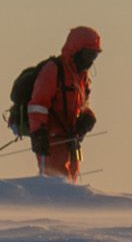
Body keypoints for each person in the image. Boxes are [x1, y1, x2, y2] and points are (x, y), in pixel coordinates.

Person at [28, 26, 101, 181]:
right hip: (51, 140)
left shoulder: (82, 77)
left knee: (70, 184)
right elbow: (37, 105)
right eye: (88, 54)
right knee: (55, 184)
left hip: (71, 140)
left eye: (94, 55)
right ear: (76, 50)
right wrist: (39, 133)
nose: (90, 61)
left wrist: (88, 117)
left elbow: (83, 105)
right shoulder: (53, 70)